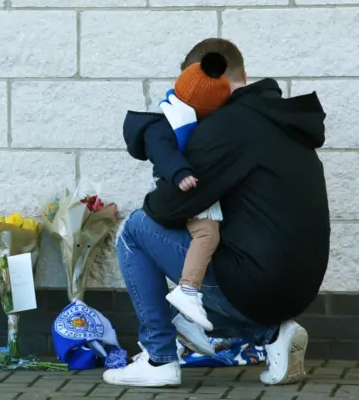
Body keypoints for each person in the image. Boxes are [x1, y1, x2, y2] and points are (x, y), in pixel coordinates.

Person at [106, 38, 330, 387]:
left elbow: (165, 208)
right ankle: (271, 334)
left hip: (256, 284)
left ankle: (158, 358)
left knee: (136, 229)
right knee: (192, 298)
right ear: (244, 73)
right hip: (299, 287)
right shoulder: (281, 120)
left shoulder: (227, 127)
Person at [145, 51, 233, 332]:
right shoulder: (168, 121)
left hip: (199, 192)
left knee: (207, 240)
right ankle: (188, 290)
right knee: (207, 234)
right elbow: (163, 151)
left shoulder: (204, 122)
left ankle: (186, 318)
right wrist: (180, 174)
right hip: (183, 192)